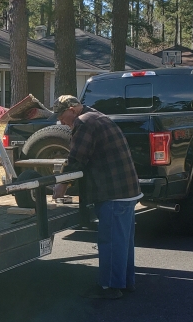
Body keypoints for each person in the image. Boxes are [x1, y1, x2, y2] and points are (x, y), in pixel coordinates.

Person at [51, 95, 141, 299]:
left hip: (112, 191)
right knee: (123, 241)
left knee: (110, 241)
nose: (61, 122)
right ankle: (126, 282)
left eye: (62, 116)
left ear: (72, 110)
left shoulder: (84, 122)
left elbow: (76, 158)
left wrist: (62, 184)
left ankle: (110, 287)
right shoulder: (98, 116)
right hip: (127, 189)